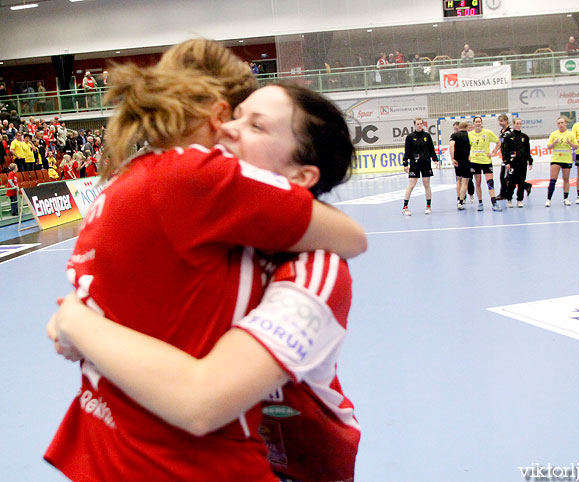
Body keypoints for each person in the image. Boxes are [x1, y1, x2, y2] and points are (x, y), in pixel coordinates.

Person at [43, 39, 366, 482]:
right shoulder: (203, 222)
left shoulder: (317, 268)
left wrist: (77, 322)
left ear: (300, 176)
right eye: (234, 116)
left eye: (256, 126)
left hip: (294, 467)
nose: (230, 129)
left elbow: (201, 402)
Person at [402, 117, 439, 215]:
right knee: (412, 185)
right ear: (414, 125)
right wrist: (405, 164)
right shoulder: (410, 137)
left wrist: (435, 160)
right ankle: (405, 207)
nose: (419, 125)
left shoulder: (427, 136)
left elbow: (431, 149)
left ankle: (428, 206)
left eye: (421, 124)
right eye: (417, 124)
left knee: (427, 184)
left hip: (426, 163)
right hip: (414, 164)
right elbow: (407, 151)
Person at [468, 116, 502, 211]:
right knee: (477, 183)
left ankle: (494, 203)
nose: (478, 123)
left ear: (481, 123)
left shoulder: (488, 133)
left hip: (486, 161)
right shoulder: (470, 134)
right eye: (476, 122)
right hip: (475, 161)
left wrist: (494, 152)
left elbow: (498, 142)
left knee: (490, 183)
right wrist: (469, 155)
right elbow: (468, 146)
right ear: (474, 124)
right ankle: (480, 203)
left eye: (479, 122)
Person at [545, 117, 578, 207]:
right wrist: (554, 142)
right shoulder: (554, 134)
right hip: (556, 159)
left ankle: (566, 198)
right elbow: (549, 146)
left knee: (566, 180)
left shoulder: (570, 134)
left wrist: (570, 143)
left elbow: (576, 146)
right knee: (552, 180)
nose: (560, 124)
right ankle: (548, 199)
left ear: (565, 123)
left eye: (562, 122)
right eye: (559, 123)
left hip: (566, 159)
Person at [502, 118, 533, 208]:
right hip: (512, 163)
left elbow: (528, 150)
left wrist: (530, 160)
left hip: (522, 162)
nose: (518, 125)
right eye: (517, 124)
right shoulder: (509, 137)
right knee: (511, 182)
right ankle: (509, 199)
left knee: (521, 182)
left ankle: (520, 199)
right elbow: (505, 151)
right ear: (514, 124)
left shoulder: (525, 137)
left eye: (520, 123)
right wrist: (507, 162)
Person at [449, 120, 472, 210]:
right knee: (465, 182)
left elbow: (451, 146)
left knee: (458, 180)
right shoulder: (469, 135)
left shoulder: (454, 135)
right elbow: (472, 147)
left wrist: (452, 158)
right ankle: (461, 201)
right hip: (467, 161)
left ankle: (458, 198)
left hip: (457, 161)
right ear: (466, 128)